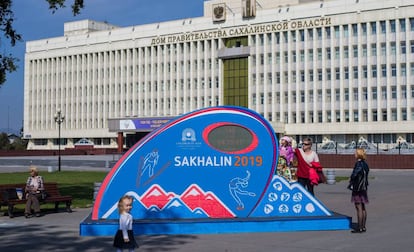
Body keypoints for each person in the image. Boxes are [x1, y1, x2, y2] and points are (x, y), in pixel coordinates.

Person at [348, 148, 369, 233]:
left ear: (359, 154)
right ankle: (363, 226)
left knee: (358, 207)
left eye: (355, 153)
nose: (354, 154)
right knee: (363, 207)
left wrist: (351, 178)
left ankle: (359, 227)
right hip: (364, 187)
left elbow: (354, 175)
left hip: (358, 188)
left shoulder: (359, 164)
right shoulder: (365, 164)